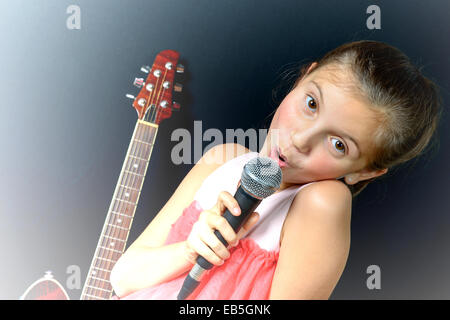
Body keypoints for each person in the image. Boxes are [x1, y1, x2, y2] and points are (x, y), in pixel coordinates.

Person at [109, 40, 442, 300]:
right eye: (311, 104)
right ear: (302, 78)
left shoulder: (323, 202)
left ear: (365, 172)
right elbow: (122, 278)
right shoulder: (223, 159)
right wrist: (190, 250)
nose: (299, 140)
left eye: (339, 144)